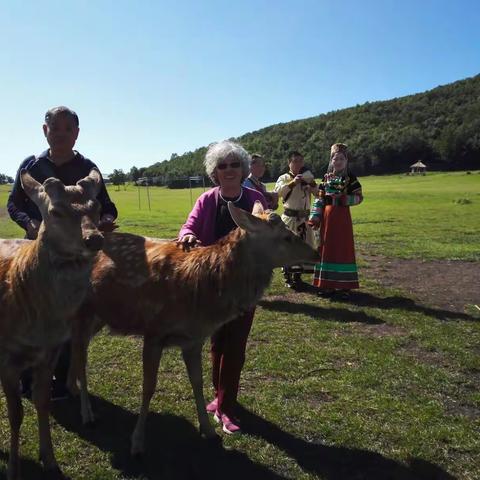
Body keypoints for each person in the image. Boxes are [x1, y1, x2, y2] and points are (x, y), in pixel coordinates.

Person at [7, 105, 118, 400]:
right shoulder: (30, 167)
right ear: (45, 131)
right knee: (33, 314)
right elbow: (14, 204)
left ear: (77, 133)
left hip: (75, 258)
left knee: (71, 316)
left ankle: (63, 380)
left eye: (67, 129)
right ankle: (29, 379)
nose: (60, 134)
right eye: (54, 128)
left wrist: (105, 219)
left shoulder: (88, 169)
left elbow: (107, 205)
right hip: (38, 254)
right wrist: (30, 223)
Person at [178, 140, 267, 434]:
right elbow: (189, 225)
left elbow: (265, 234)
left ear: (243, 168)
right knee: (217, 342)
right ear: (214, 172)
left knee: (236, 345)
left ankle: (226, 407)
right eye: (222, 165)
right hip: (212, 286)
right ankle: (219, 397)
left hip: (245, 287)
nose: (228, 170)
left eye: (234, 164)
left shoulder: (255, 199)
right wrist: (188, 235)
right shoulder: (207, 200)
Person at [308, 143, 363, 298]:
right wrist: (314, 217)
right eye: (335, 159)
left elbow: (359, 198)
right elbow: (319, 199)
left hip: (342, 219)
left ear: (346, 161)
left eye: (341, 158)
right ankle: (326, 284)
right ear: (331, 161)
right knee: (327, 249)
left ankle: (344, 286)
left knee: (342, 249)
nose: (337, 161)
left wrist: (343, 198)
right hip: (326, 219)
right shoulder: (325, 179)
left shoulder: (351, 179)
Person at [274, 151, 318, 288]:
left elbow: (318, 193)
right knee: (288, 248)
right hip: (290, 218)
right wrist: (293, 183)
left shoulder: (307, 176)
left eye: (300, 161)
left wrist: (311, 184)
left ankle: (298, 276)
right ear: (289, 163)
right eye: (295, 161)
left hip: (304, 218)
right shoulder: (284, 177)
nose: (298, 164)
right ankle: (288, 276)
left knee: (303, 247)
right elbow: (278, 192)